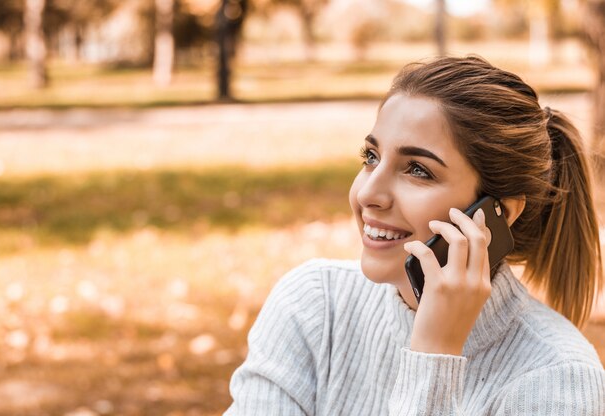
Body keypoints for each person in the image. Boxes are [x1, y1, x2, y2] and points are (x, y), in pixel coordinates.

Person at [224, 56, 605, 415]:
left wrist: (435, 355)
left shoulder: (557, 379)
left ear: (497, 213)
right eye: (371, 157)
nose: (369, 193)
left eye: (418, 170)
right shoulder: (314, 304)